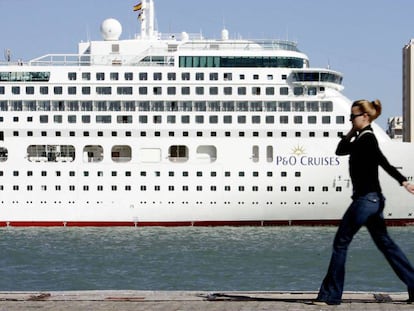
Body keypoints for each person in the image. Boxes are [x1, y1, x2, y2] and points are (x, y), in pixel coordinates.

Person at [314, 99, 414, 305]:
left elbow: (383, 162)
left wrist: (403, 181)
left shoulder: (368, 140)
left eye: (353, 116)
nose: (350, 119)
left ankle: (331, 295)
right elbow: (340, 150)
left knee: (340, 244)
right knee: (387, 246)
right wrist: (352, 130)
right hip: (373, 200)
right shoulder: (362, 138)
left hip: (365, 200)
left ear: (365, 117)